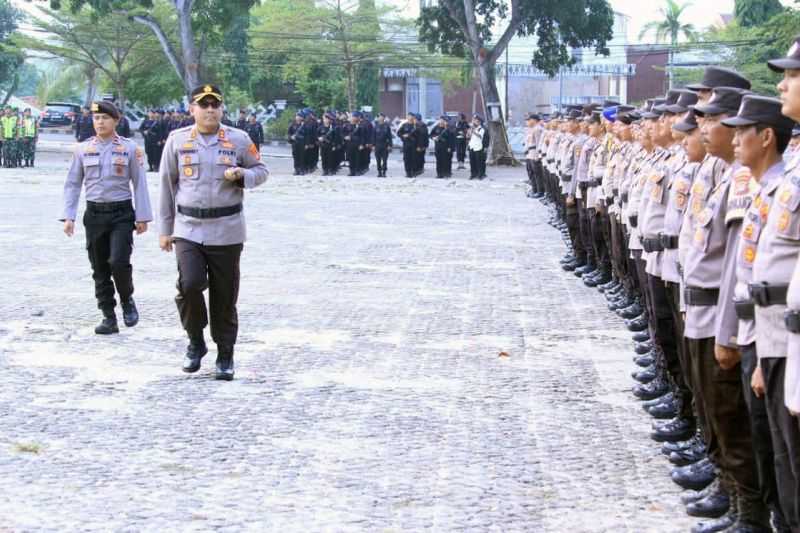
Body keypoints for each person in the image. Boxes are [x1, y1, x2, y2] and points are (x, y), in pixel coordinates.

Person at [158, 84, 268, 381]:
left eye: (214, 105)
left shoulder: (239, 139)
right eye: (202, 105)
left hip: (227, 229)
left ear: (221, 109)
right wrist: (164, 229)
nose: (209, 110)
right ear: (191, 109)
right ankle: (195, 341)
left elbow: (261, 171)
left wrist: (243, 175)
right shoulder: (178, 140)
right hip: (188, 228)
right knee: (190, 284)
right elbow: (167, 184)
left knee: (225, 294)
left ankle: (225, 353)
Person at [61, 101, 152, 335]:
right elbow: (73, 184)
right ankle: (108, 316)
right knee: (100, 267)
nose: (100, 122)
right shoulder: (82, 149)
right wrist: (68, 216)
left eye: (105, 118)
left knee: (118, 261)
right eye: (96, 118)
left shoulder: (130, 149)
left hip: (121, 214)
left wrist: (142, 216)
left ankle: (127, 299)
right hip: (94, 214)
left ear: (116, 121)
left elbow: (139, 183)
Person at [398, 113, 418, 178]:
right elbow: (399, 133)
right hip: (406, 144)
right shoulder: (404, 125)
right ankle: (407, 172)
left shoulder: (415, 125)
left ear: (413, 117)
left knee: (413, 158)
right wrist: (403, 136)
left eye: (411, 116)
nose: (410, 117)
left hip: (413, 144)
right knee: (406, 158)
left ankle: (413, 172)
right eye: (408, 116)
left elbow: (419, 135)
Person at [468, 114, 487, 180]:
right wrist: (470, 131)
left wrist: (473, 131)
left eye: (475, 120)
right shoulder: (473, 128)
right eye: (473, 120)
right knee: (472, 161)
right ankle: (473, 174)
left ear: (479, 122)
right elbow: (469, 136)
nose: (473, 121)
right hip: (472, 146)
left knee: (479, 162)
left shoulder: (481, 128)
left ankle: (480, 174)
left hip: (478, 147)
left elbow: (480, 136)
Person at [373, 113, 393, 177]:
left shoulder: (387, 126)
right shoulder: (375, 126)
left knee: (384, 160)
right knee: (378, 159)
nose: (380, 118)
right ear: (378, 118)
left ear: (384, 118)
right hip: (377, 145)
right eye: (379, 117)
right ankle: (379, 172)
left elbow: (389, 137)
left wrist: (390, 145)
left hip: (385, 145)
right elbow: (373, 136)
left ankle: (384, 172)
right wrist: (373, 145)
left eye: (382, 117)